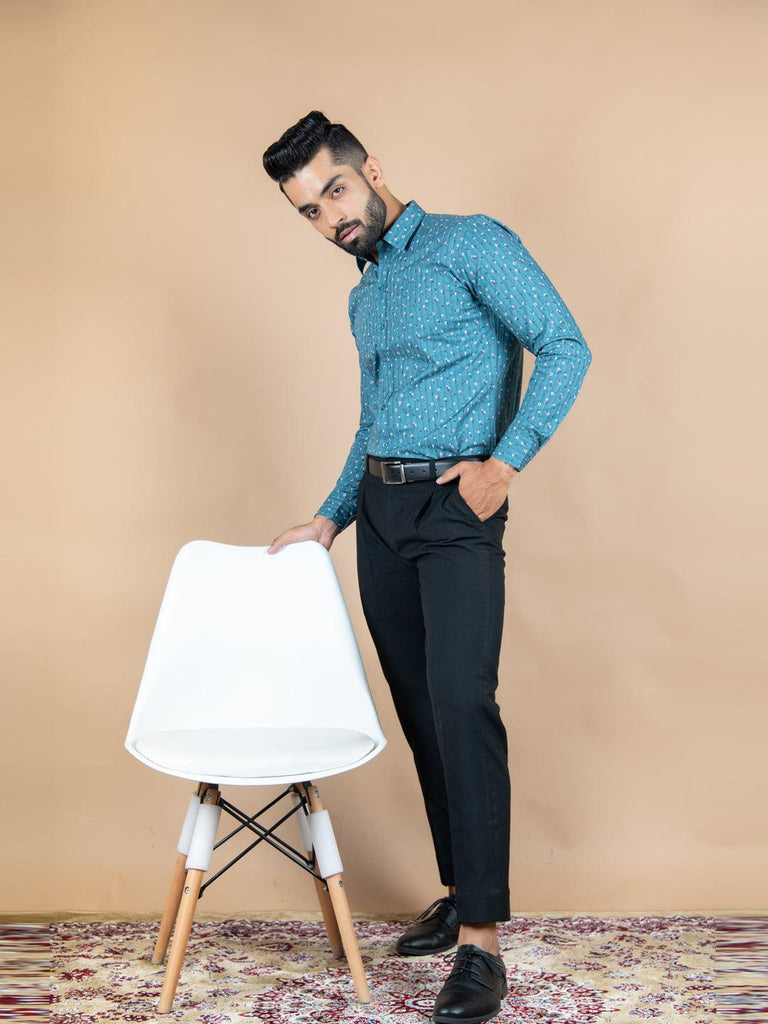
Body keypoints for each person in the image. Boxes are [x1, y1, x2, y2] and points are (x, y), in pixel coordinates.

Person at [262, 110, 592, 1024]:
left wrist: (505, 463)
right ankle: (459, 891)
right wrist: (330, 517)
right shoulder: (364, 296)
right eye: (310, 211)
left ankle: (483, 945)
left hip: (455, 511)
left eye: (335, 191)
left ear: (371, 168)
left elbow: (566, 345)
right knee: (420, 714)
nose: (331, 218)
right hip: (381, 514)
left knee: (461, 703)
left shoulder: (470, 243)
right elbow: (373, 418)